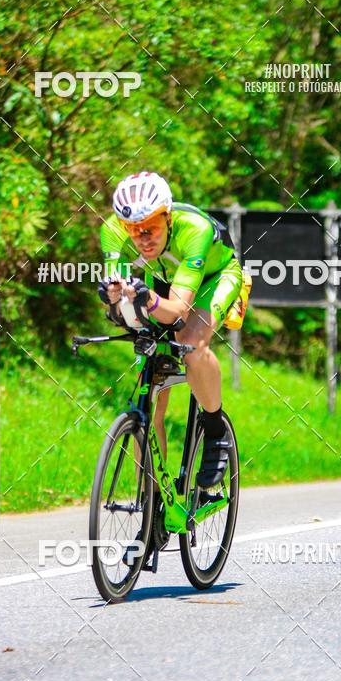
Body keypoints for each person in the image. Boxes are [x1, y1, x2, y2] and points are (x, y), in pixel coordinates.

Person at [98, 171, 242, 487]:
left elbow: (178, 310)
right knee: (148, 397)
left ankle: (216, 432)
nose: (142, 237)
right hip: (160, 280)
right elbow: (118, 294)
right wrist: (113, 299)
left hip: (214, 277)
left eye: (150, 226)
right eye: (133, 229)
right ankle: (152, 506)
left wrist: (147, 300)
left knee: (189, 340)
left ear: (168, 215)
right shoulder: (111, 231)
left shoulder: (195, 230)